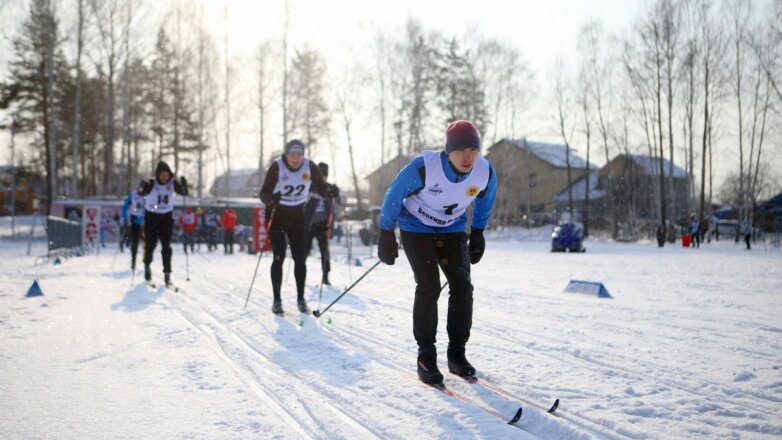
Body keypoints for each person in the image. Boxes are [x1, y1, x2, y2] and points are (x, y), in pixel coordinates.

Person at [377, 120, 497, 385]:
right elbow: (394, 194)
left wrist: (477, 231)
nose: (468, 157)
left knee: (463, 287)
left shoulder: (484, 171)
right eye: (461, 150)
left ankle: (457, 355)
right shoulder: (423, 169)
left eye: (473, 150)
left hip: (451, 228)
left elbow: (486, 199)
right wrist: (386, 231)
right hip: (416, 226)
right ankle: (426, 358)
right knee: (429, 286)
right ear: (448, 151)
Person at [259, 139, 339, 315]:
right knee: (278, 256)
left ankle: (301, 299)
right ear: (286, 155)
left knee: (299, 258)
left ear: (303, 155)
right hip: (277, 215)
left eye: (299, 154)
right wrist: (272, 198)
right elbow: (263, 194)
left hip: (297, 217)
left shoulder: (309, 166)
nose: (295, 158)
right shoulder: (277, 166)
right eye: (292, 154)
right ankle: (277, 300)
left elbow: (321, 188)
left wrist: (331, 191)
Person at [138, 161, 188, 286]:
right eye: (162, 175)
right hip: (151, 217)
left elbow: (184, 193)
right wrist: (144, 187)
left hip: (166, 217)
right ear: (158, 175)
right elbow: (142, 192)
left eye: (167, 175)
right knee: (151, 245)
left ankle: (167, 274)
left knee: (166, 247)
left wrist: (184, 185)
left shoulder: (172, 183)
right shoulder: (152, 182)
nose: (165, 177)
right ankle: (147, 267)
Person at [304, 162, 337, 285]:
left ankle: (325, 275)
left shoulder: (329, 188)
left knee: (324, 250)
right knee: (305, 250)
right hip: (309, 223)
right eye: (321, 175)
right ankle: (301, 272)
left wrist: (331, 226)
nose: (323, 178)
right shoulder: (309, 186)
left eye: (325, 176)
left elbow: (332, 209)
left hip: (323, 223)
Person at [121, 182, 146, 270]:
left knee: (147, 242)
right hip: (134, 221)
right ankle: (133, 260)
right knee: (134, 242)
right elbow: (125, 207)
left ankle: (146, 259)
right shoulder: (133, 195)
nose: (142, 191)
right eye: (141, 188)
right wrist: (125, 218)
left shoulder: (148, 196)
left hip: (145, 222)